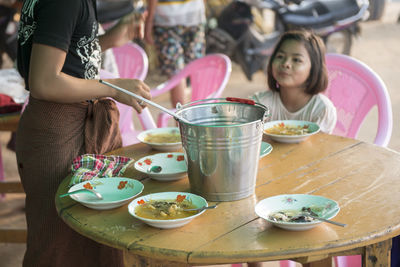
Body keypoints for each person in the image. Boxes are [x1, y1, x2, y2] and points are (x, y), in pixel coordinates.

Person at [15, 0, 151, 266]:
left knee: (91, 238)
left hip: (64, 124)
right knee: (59, 245)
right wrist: (113, 88)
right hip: (60, 130)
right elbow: (44, 81)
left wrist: (109, 39)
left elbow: (67, 54)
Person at [250, 30, 337, 134]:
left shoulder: (321, 110)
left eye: (296, 60)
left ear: (314, 69)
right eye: (280, 56)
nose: (286, 64)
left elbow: (318, 149)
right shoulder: (260, 103)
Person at [144, 0, 206, 107]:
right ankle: (198, 117)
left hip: (167, 19)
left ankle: (182, 121)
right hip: (195, 14)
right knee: (196, 69)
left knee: (176, 74)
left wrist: (148, 23)